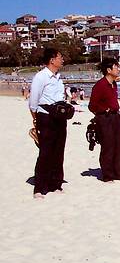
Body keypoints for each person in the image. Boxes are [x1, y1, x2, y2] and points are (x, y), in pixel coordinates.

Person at [28, 48, 67, 198]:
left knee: (59, 151)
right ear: (52, 60)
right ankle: (39, 187)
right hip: (46, 117)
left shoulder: (58, 77)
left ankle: (55, 183)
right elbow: (33, 102)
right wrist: (36, 119)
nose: (62, 59)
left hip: (60, 117)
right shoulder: (41, 77)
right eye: (60, 57)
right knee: (45, 152)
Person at [89, 58, 120, 182]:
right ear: (109, 70)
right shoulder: (100, 85)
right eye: (116, 67)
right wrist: (104, 110)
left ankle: (116, 172)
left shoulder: (114, 84)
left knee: (117, 145)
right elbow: (92, 106)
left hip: (115, 117)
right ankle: (107, 174)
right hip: (105, 118)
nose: (118, 69)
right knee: (107, 146)